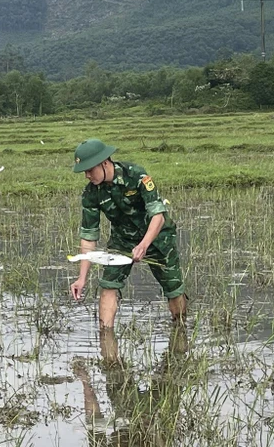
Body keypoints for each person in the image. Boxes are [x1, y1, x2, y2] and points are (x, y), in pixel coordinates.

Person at [68, 139, 187, 328]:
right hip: (122, 242)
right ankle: (106, 342)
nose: (87, 175)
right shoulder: (91, 194)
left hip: (158, 239)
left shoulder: (136, 175)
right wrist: (81, 278)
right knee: (108, 285)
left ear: (104, 163)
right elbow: (89, 237)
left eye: (90, 170)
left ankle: (180, 330)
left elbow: (159, 216)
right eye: (84, 171)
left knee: (173, 289)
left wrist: (144, 244)